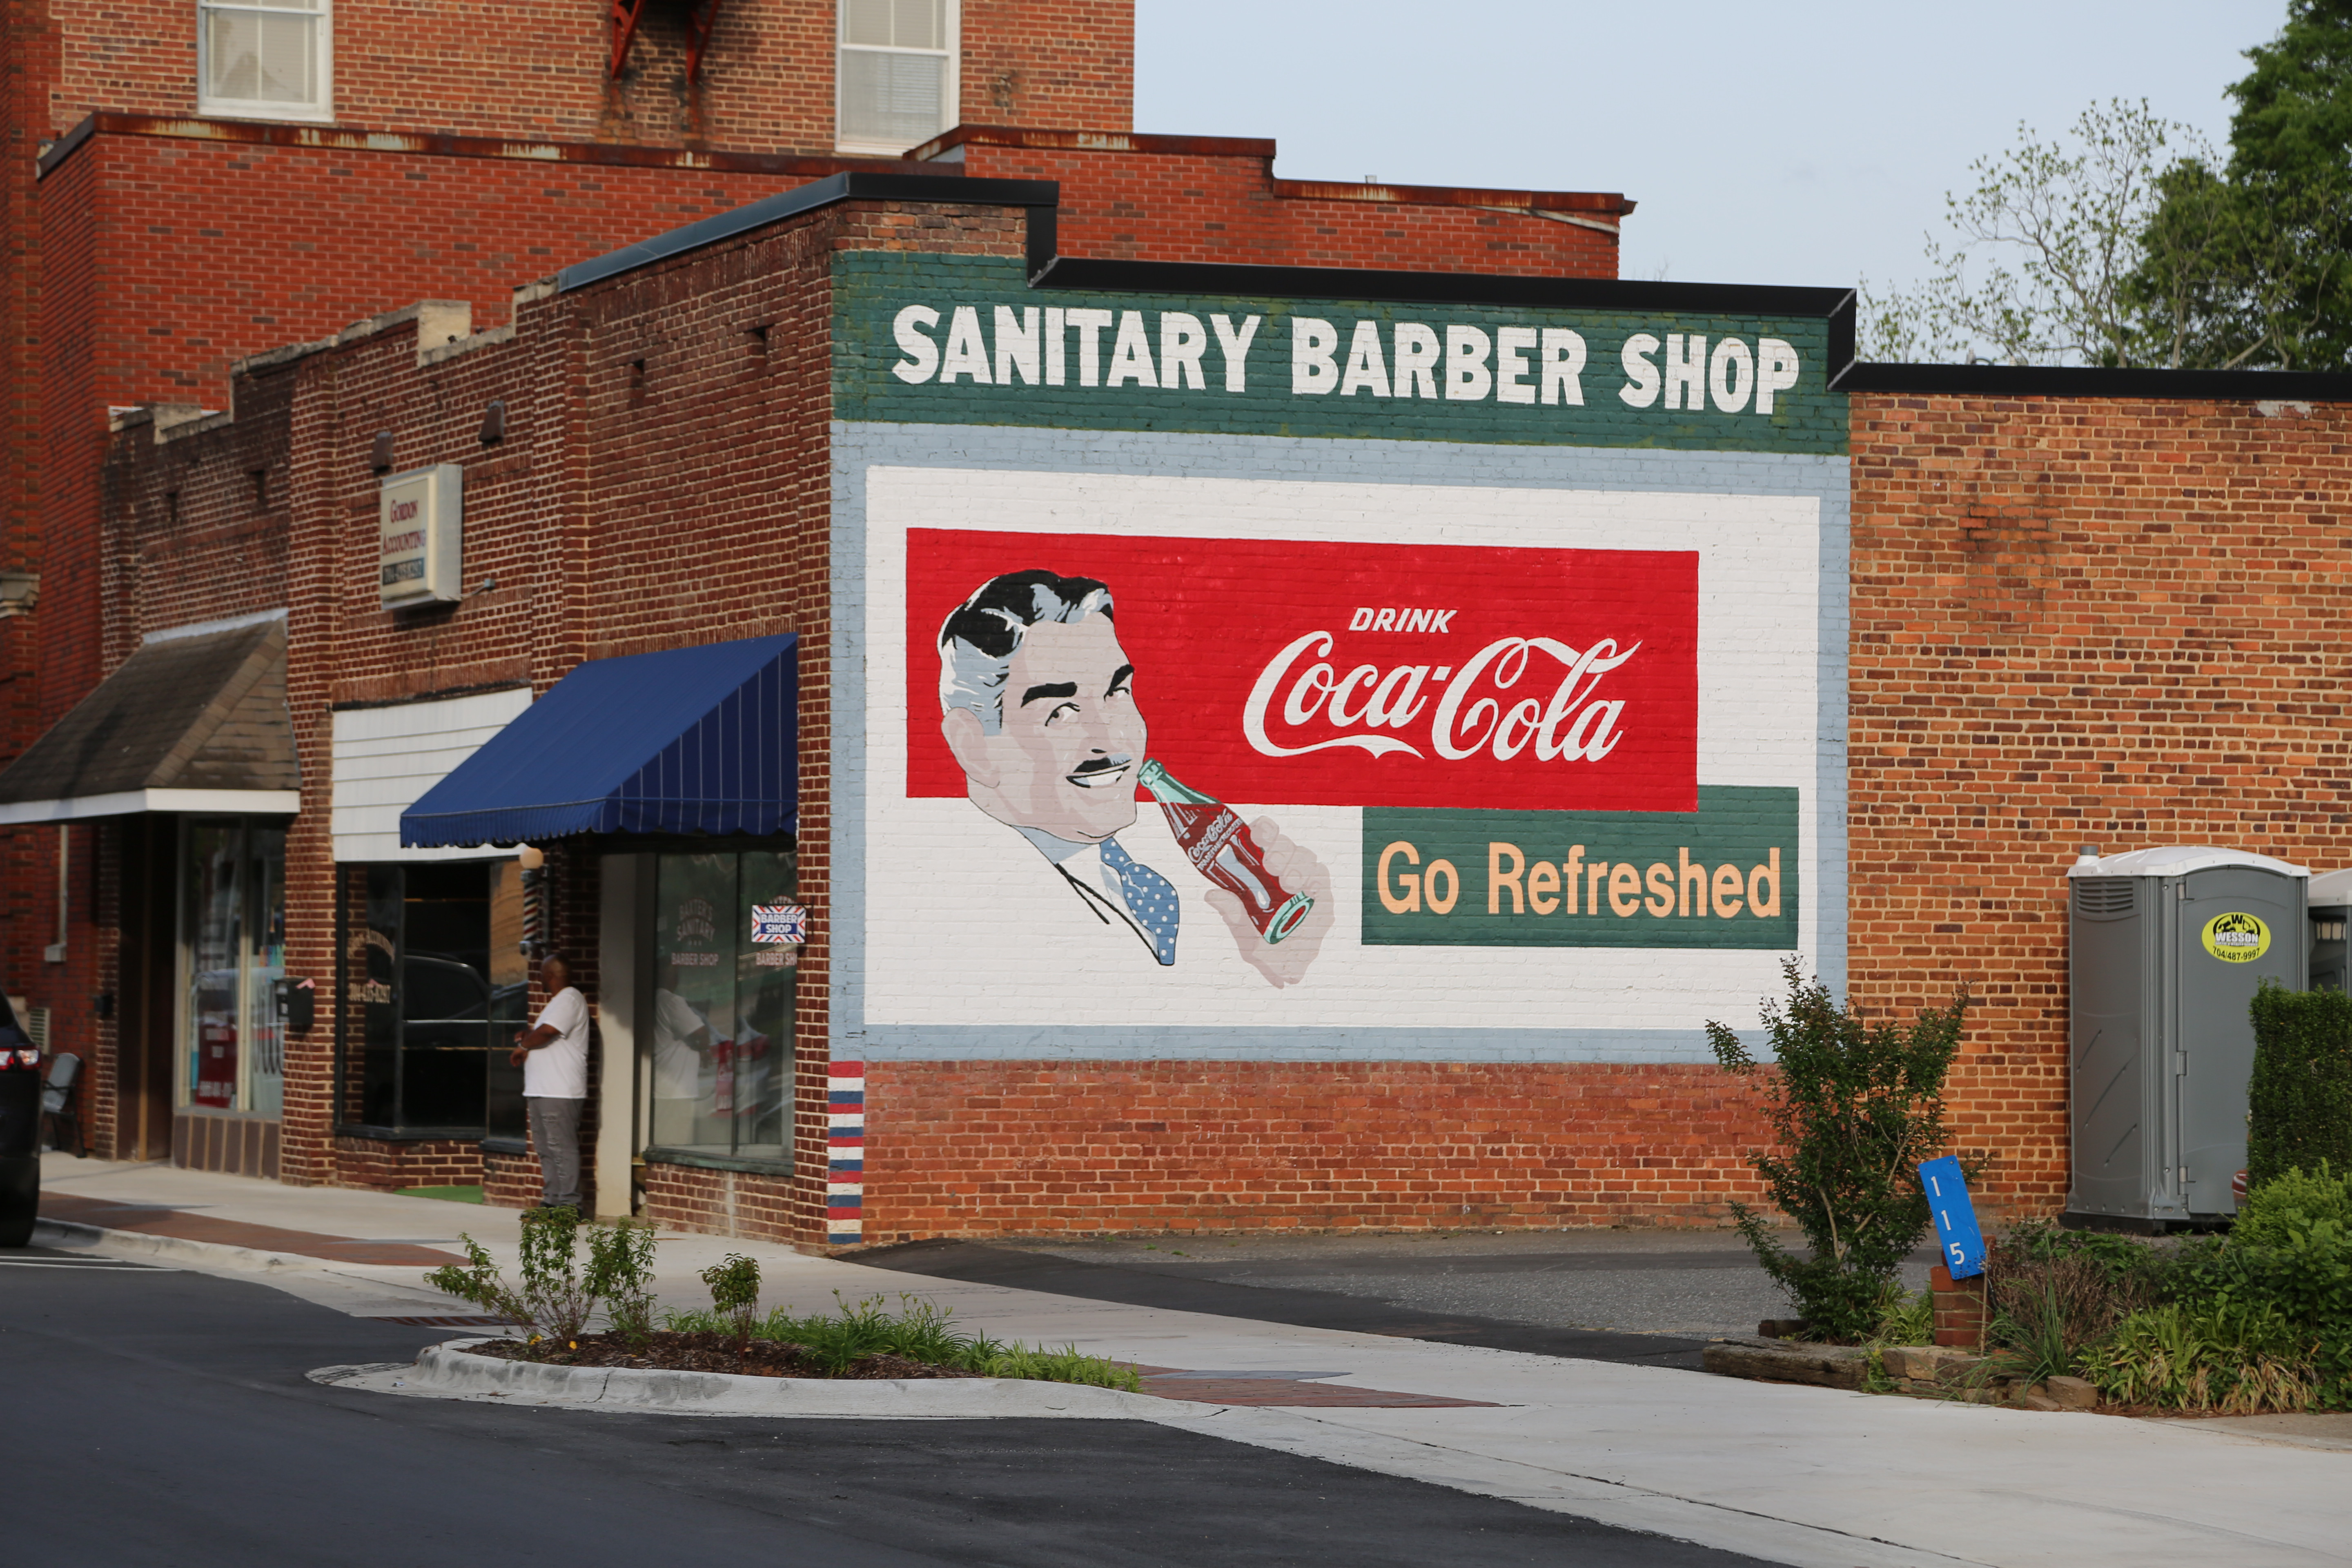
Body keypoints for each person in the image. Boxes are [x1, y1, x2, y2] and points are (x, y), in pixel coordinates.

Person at [935, 568, 1331, 987]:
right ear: (973, 747)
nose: (1113, 740)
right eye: (1062, 712)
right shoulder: (978, 913)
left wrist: (1272, 968)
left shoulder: (1149, 870)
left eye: (1117, 694)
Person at [508, 952, 588, 1211]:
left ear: (551, 975)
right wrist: (528, 1036)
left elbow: (549, 1032)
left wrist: (523, 1044)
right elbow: (543, 1033)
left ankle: (570, 1205)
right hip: (541, 1089)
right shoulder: (557, 1003)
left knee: (561, 1147)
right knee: (545, 1148)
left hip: (560, 1090)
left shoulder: (570, 998)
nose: (541, 979)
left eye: (542, 974)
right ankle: (552, 1201)